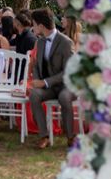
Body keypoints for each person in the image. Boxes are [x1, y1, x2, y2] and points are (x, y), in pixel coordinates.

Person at [28, 8, 76, 149]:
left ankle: (71, 137)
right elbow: (37, 65)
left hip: (67, 85)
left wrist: (44, 82)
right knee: (34, 95)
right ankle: (44, 136)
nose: (33, 27)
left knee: (64, 97)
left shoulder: (66, 42)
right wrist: (37, 81)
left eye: (34, 24)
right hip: (49, 87)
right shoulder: (41, 42)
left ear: (41, 26)